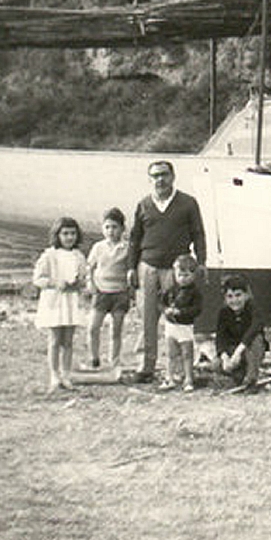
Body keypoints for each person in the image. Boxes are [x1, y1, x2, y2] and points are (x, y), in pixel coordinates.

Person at [125, 160, 207, 384]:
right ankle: (146, 366)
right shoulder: (143, 205)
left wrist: (202, 261)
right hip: (148, 266)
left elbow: (198, 233)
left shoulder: (188, 203)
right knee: (148, 317)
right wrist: (131, 267)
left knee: (177, 319)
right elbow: (134, 239)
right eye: (155, 176)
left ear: (173, 176)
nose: (160, 180)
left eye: (164, 175)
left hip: (176, 269)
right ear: (149, 179)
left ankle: (179, 369)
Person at [33, 217, 86, 393]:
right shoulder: (50, 255)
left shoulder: (78, 256)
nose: (69, 237)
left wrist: (77, 283)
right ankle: (54, 375)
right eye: (65, 233)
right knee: (55, 340)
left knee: (68, 341)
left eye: (72, 233)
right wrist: (55, 282)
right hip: (54, 301)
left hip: (70, 301)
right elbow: (38, 279)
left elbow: (84, 280)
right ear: (57, 235)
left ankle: (66, 375)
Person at [82, 207, 131, 373]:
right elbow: (90, 267)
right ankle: (94, 358)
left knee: (116, 330)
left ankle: (115, 360)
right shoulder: (98, 247)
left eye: (115, 227)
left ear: (123, 228)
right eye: (107, 227)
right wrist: (91, 284)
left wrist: (130, 291)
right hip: (101, 292)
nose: (110, 231)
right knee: (93, 327)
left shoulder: (127, 247)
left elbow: (131, 269)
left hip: (120, 293)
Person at [214, 273, 266, 391]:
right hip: (233, 350)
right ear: (225, 298)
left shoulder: (252, 308)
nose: (234, 300)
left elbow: (255, 328)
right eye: (230, 296)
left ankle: (251, 379)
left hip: (249, 349)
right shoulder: (224, 312)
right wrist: (225, 357)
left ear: (246, 295)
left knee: (257, 339)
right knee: (216, 365)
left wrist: (238, 351)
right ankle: (238, 375)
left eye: (238, 295)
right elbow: (220, 337)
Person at [159, 254, 203, 391]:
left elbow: (197, 309)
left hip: (185, 326)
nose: (183, 279)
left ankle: (188, 378)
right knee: (171, 353)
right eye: (180, 275)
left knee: (187, 353)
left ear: (194, 275)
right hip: (171, 326)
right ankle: (170, 377)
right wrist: (165, 310)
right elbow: (161, 302)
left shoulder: (195, 292)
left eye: (187, 275)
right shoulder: (171, 289)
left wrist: (182, 312)